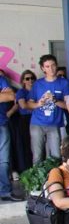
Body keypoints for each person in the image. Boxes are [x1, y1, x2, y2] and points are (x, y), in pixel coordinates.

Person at [28, 54, 69, 164]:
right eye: (47, 66)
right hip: (37, 123)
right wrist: (39, 103)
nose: (51, 69)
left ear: (56, 65)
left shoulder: (64, 82)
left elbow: (68, 105)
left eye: (53, 65)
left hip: (54, 123)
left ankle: (54, 175)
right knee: (37, 155)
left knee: (56, 156)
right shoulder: (38, 83)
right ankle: (37, 175)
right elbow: (29, 103)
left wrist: (55, 100)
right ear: (43, 68)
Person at [0, 73, 18, 201]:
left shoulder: (1, 79)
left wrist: (6, 95)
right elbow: (5, 96)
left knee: (4, 160)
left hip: (2, 123)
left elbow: (11, 96)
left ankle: (5, 191)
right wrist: (2, 95)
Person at [14, 70, 35, 173]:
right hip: (25, 119)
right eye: (27, 78)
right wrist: (36, 106)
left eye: (32, 78)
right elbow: (23, 105)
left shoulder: (37, 90)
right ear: (23, 81)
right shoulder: (21, 92)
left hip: (37, 119)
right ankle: (27, 169)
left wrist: (31, 105)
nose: (30, 80)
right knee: (27, 144)